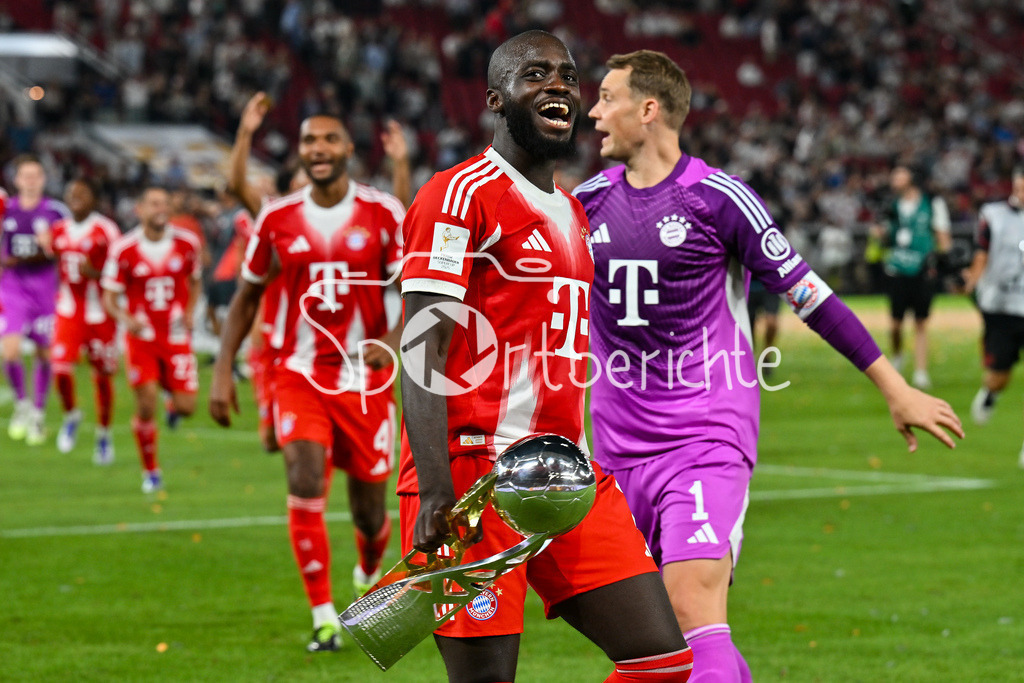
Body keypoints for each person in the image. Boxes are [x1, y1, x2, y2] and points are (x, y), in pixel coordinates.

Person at [576, 50, 963, 683]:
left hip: (704, 435)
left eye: (607, 98)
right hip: (617, 449)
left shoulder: (718, 198)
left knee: (690, 605)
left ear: (648, 110)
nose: (593, 112)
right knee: (659, 638)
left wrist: (895, 387)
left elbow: (811, 297)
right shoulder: (584, 204)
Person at [398, 31, 692, 683]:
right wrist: (436, 485)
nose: (558, 84)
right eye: (535, 74)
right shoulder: (457, 194)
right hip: (475, 475)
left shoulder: (574, 213)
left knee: (662, 662)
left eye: (567, 74)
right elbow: (422, 347)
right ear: (496, 100)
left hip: (566, 473)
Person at [209, 112, 404, 653]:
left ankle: (368, 568)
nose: (318, 148)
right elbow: (246, 297)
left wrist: (392, 340)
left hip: (364, 381)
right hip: (298, 372)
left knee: (369, 511)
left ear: (348, 149)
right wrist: (222, 373)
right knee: (303, 475)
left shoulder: (383, 213)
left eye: (329, 139)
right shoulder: (277, 218)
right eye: (309, 140)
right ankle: (323, 617)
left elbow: (416, 289)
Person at [101, 186, 202, 493]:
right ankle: (151, 472)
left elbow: (195, 281)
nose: (161, 209)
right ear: (140, 210)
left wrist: (189, 312)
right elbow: (109, 298)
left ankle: (172, 404)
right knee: (145, 405)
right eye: (154, 204)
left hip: (175, 335)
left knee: (188, 407)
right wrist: (126, 320)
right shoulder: (124, 249)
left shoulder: (187, 243)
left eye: (165, 203)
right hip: (141, 337)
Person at [50, 177, 121, 462]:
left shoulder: (107, 230)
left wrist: (97, 274)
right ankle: (71, 414)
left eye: (81, 193)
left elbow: (121, 270)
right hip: (69, 311)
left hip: (100, 314)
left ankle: (103, 434)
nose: (75, 197)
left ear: (94, 198)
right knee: (60, 369)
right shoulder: (58, 230)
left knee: (102, 377)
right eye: (71, 193)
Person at [1, 154, 67, 445]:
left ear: (43, 179)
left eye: (35, 175)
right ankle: (22, 405)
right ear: (16, 180)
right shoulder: (6, 209)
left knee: (44, 353)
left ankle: (38, 412)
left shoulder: (55, 212)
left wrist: (51, 246)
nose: (30, 180)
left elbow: (67, 247)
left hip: (44, 289)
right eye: (25, 175)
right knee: (10, 350)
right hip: (12, 288)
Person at [871, 162, 953, 390]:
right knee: (895, 323)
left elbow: (943, 236)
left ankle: (920, 371)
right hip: (897, 268)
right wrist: (878, 234)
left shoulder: (932, 204)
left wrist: (942, 262)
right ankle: (898, 354)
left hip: (922, 270)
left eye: (899, 173)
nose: (894, 178)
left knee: (921, 322)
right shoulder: (890, 205)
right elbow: (883, 235)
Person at [963, 166, 1024, 465]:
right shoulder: (993, 215)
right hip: (1001, 307)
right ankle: (990, 392)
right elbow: (981, 253)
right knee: (999, 376)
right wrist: (972, 281)